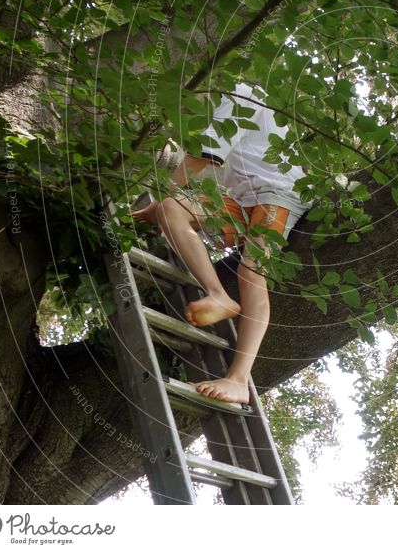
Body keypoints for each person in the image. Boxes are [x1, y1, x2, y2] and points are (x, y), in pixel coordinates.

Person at [132, 82, 310, 404]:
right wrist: (159, 209)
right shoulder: (227, 106)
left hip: (277, 195)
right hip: (243, 201)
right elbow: (202, 164)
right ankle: (218, 295)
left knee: (252, 272)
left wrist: (159, 199)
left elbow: (203, 161)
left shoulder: (244, 94)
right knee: (173, 209)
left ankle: (239, 379)